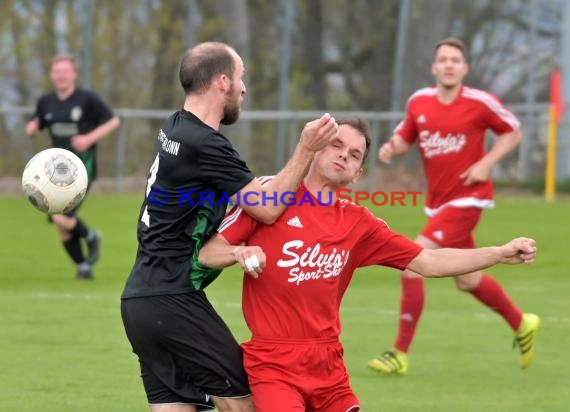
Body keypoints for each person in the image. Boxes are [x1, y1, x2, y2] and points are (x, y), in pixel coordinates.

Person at [197, 117, 537, 412]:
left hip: (328, 365)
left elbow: (428, 261)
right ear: (316, 148)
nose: (344, 154)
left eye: (354, 154)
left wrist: (497, 252)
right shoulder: (273, 195)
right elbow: (208, 252)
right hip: (273, 363)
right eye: (336, 145)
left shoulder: (359, 223)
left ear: (358, 174)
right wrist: (238, 253)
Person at [120, 41, 338, 412]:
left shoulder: (175, 127)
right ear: (222, 81)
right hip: (172, 299)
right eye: (241, 77)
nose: (244, 88)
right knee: (250, 404)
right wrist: (305, 149)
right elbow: (267, 209)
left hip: (139, 302)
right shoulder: (205, 144)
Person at [367, 37, 540, 376]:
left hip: (468, 198)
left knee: (412, 262)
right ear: (434, 67)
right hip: (438, 204)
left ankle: (399, 353)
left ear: (465, 68)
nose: (448, 65)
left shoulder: (479, 102)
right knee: (467, 278)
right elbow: (407, 136)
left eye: (455, 60)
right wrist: (392, 148)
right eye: (443, 59)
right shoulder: (419, 102)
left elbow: (513, 132)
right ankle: (522, 323)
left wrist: (487, 163)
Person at [25, 54, 120, 280]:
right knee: (61, 223)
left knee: (60, 217)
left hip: (81, 168)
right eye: (57, 71)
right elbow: (36, 122)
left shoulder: (87, 99)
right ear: (51, 75)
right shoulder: (46, 101)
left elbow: (113, 121)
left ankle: (90, 237)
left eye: (65, 71)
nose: (61, 75)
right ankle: (83, 266)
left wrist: (88, 138)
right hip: (54, 171)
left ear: (74, 74)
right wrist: (32, 126)